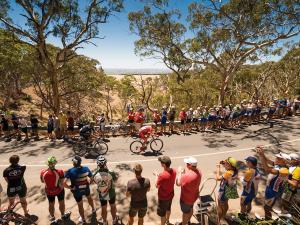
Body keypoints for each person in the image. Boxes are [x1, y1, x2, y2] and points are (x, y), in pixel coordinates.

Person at [256, 147, 289, 219]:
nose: (276, 159)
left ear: (284, 161)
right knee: (268, 206)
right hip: (270, 189)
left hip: (273, 192)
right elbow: (267, 160)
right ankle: (269, 218)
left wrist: (261, 156)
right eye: (276, 157)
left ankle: (268, 220)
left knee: (267, 208)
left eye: (279, 158)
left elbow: (267, 169)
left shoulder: (284, 170)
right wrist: (262, 154)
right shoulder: (278, 165)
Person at [64, 156, 95, 224]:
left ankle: (83, 219)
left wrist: (71, 188)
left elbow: (64, 183)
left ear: (74, 163)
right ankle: (93, 209)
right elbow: (92, 178)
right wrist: (88, 184)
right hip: (86, 188)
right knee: (89, 198)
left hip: (77, 192)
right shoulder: (86, 169)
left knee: (80, 205)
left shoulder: (70, 171)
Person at [40, 156, 70, 224]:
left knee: (51, 204)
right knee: (61, 203)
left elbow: (42, 181)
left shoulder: (42, 172)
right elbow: (61, 183)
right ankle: (63, 215)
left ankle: (53, 219)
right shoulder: (60, 172)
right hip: (59, 191)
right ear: (55, 163)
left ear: (48, 164)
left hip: (49, 191)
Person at [176, 157, 201, 225]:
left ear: (190, 165)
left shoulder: (187, 176)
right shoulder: (199, 172)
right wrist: (184, 173)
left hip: (186, 199)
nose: (186, 165)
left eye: (187, 164)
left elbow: (178, 183)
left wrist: (180, 173)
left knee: (185, 213)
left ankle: (184, 223)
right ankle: (188, 220)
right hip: (193, 196)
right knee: (190, 208)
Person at [93, 156, 118, 225]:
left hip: (102, 193)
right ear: (105, 163)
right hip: (111, 193)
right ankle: (114, 220)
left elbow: (95, 181)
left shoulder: (95, 173)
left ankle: (104, 222)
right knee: (112, 206)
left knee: (103, 208)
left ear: (98, 164)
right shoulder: (111, 172)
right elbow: (115, 180)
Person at [154, 156, 176, 225]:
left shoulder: (162, 175)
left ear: (163, 165)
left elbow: (156, 185)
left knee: (162, 214)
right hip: (170, 195)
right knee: (168, 208)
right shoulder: (174, 171)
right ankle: (168, 221)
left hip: (163, 198)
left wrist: (156, 176)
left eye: (161, 162)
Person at [216, 157, 238, 223]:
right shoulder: (235, 170)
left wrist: (218, 168)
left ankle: (218, 220)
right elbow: (228, 167)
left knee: (219, 206)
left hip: (224, 191)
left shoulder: (228, 173)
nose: (224, 164)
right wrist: (223, 163)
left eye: (226, 163)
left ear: (229, 165)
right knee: (225, 203)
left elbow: (217, 178)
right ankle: (224, 215)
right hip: (230, 190)